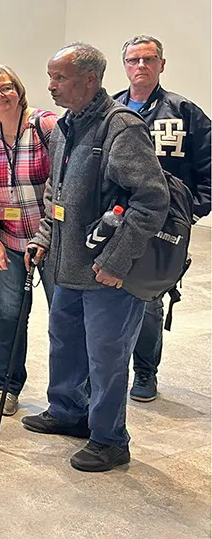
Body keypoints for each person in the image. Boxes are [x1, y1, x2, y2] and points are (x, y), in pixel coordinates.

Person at [21, 43, 169, 472]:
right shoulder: (64, 126)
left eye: (59, 77)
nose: (50, 86)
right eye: (50, 76)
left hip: (107, 274)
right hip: (66, 265)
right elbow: (56, 193)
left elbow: (150, 200)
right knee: (64, 343)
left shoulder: (121, 128)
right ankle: (68, 411)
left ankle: (109, 439)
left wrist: (117, 262)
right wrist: (45, 236)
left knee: (106, 357)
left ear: (90, 79)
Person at [115, 35, 211, 403]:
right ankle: (110, 368)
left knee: (149, 298)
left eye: (148, 59)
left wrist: (191, 211)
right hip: (117, 219)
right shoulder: (113, 108)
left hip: (162, 225)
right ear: (124, 65)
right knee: (109, 294)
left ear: (161, 64)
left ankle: (145, 371)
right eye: (134, 60)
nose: (141, 66)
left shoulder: (184, 112)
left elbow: (208, 164)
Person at [0, 66, 57, 415]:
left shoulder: (45, 126)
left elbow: (63, 184)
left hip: (53, 239)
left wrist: (45, 237)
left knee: (64, 319)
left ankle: (69, 399)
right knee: (9, 316)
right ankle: (8, 386)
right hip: (10, 240)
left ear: (19, 90)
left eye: (5, 88)